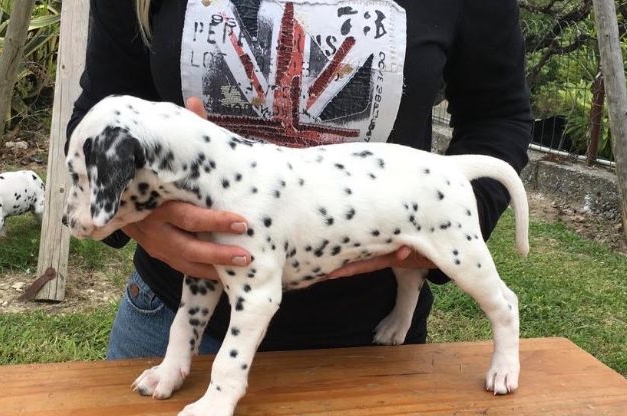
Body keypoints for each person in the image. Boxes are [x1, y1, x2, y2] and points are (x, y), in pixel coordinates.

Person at [67, 0, 532, 359]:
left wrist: (440, 227)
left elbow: (499, 115)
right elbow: (100, 117)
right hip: (168, 314)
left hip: (369, 338)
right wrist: (138, 222)